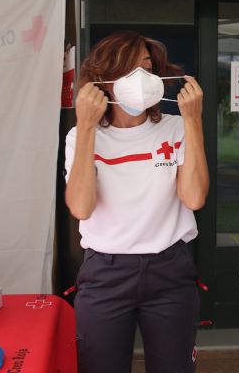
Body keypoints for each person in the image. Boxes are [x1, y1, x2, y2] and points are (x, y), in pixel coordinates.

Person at [64, 31, 209, 373]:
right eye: (129, 69)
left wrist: (193, 120)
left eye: (147, 66)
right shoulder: (82, 136)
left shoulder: (174, 128)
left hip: (169, 270)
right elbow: (81, 207)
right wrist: (85, 126)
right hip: (106, 272)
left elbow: (194, 197)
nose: (141, 78)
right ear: (104, 80)